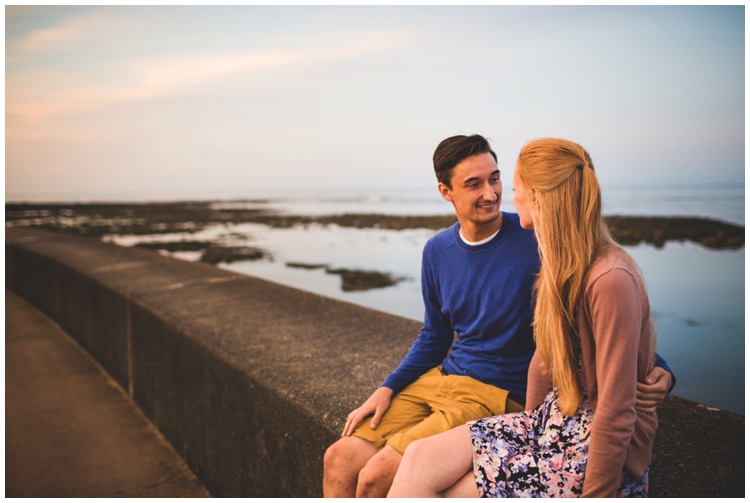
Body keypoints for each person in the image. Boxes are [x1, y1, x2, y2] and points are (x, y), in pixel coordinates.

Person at [323, 135, 673, 498]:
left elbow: (607, 325)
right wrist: (388, 386)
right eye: (474, 184)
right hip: (444, 378)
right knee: (339, 457)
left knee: (376, 475)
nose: (491, 193)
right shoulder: (437, 251)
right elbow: (434, 336)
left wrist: (657, 367)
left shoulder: (540, 239)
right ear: (446, 191)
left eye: (496, 179)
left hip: (497, 393)